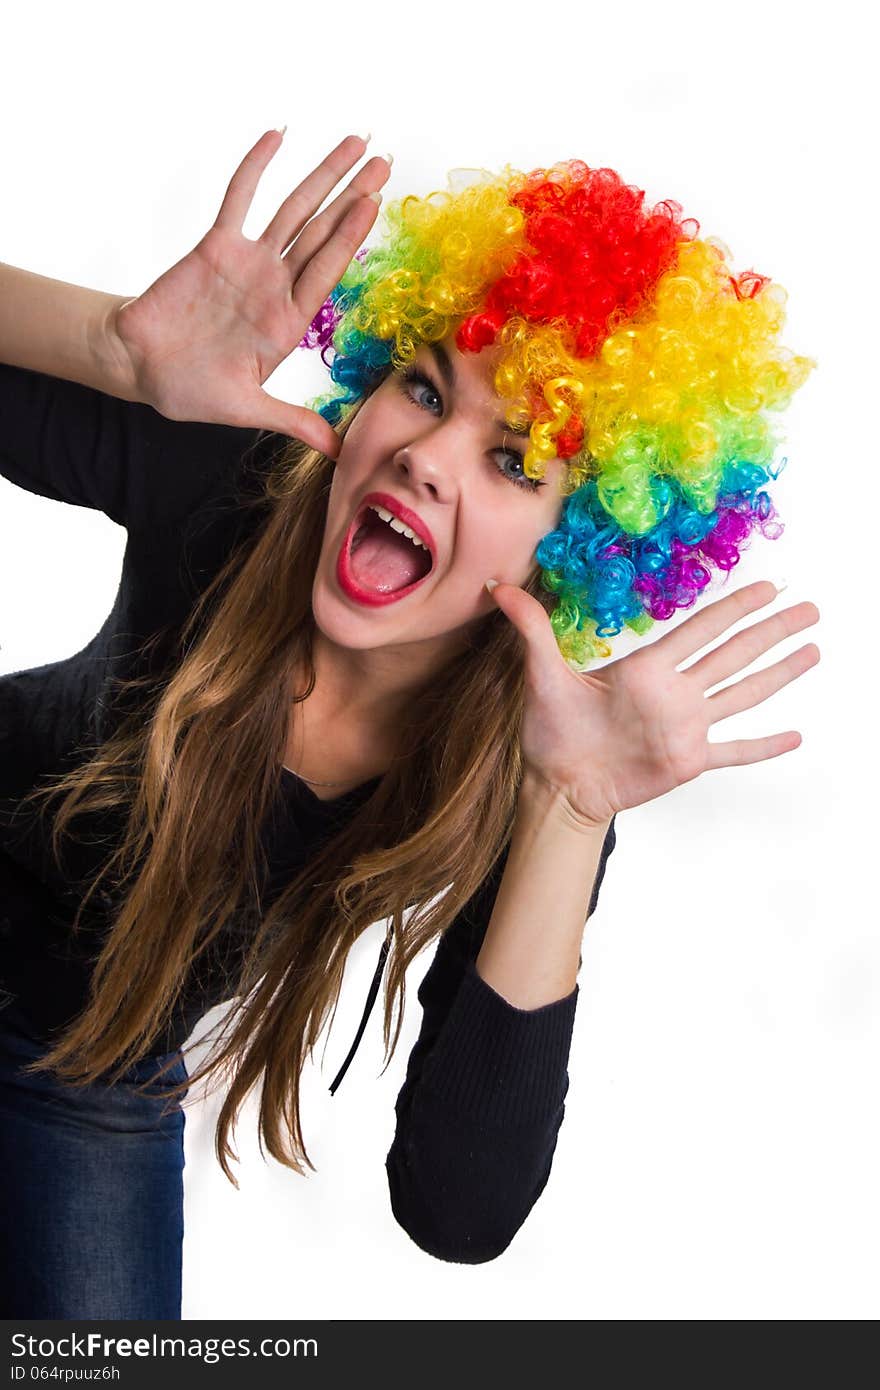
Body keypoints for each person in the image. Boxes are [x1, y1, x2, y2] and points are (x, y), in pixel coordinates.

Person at [0, 130, 819, 1318]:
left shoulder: (528, 775)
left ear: (575, 551)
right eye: (425, 388)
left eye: (512, 461)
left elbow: (458, 1209)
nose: (428, 458)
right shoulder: (232, 483)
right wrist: (115, 349)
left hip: (92, 1075)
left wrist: (571, 809)